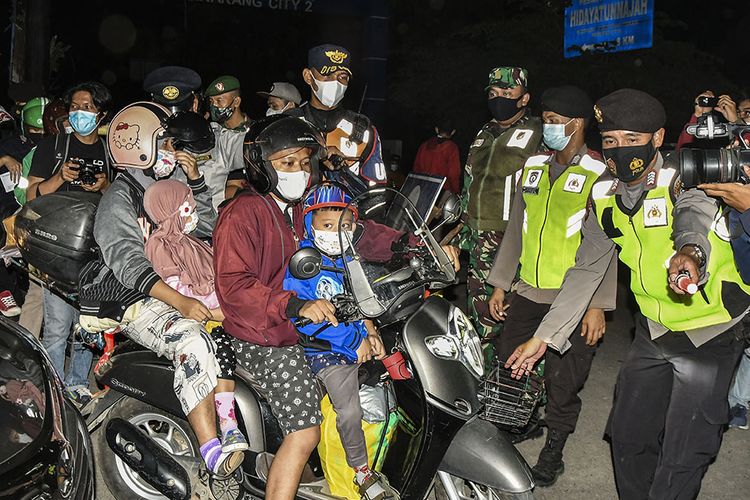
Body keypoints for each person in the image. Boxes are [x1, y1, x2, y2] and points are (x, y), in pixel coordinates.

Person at [507, 89, 750, 500]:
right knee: (627, 436)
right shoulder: (604, 194)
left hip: (711, 332)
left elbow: (694, 215)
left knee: (685, 451)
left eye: (632, 138)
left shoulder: (686, 176)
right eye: (611, 141)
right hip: (652, 331)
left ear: (657, 138)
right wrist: (545, 336)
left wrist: (689, 252)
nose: (621, 150)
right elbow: (586, 267)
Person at [81, 102, 242, 476]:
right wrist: (182, 303)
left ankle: (233, 421)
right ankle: (211, 448)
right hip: (138, 301)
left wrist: (197, 181)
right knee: (192, 341)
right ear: (139, 145)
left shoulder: (167, 187)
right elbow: (127, 264)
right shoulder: (118, 200)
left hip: (184, 290)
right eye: (166, 144)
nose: (173, 151)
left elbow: (203, 229)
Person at [485, 85, 616, 485]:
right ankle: (510, 429)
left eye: (556, 121)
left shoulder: (598, 174)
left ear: (577, 124)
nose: (549, 127)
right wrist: (501, 283)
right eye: (546, 120)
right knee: (510, 363)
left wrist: (598, 304)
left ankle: (553, 450)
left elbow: (608, 244)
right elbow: (516, 230)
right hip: (529, 289)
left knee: (564, 379)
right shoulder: (534, 167)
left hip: (574, 298)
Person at [213, 116, 328, 500]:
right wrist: (293, 304)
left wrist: (405, 245)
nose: (300, 171)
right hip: (259, 334)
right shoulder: (243, 213)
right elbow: (234, 287)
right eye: (287, 163)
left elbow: (345, 232)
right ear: (261, 165)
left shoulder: (293, 209)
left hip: (289, 322)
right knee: (305, 430)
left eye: (304, 161)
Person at [283, 184, 399, 499]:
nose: (336, 232)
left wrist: (371, 330)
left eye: (344, 226)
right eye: (328, 226)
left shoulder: (349, 260)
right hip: (325, 353)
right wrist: (355, 341)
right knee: (349, 411)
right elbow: (311, 320)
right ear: (310, 225)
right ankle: (361, 470)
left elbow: (360, 300)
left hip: (354, 343)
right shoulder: (304, 265)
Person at [143, 179, 248, 452]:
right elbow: (179, 291)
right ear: (169, 212)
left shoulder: (192, 242)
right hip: (203, 316)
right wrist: (217, 311)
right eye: (187, 209)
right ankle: (228, 423)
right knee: (223, 349)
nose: (194, 214)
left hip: (222, 308)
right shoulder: (160, 246)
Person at [26, 82, 113, 407]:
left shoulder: (109, 151)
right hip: (57, 250)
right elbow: (32, 195)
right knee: (58, 324)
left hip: (95, 250)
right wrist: (61, 177)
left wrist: (105, 185)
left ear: (100, 112)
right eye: (75, 106)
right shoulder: (53, 146)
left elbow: (120, 202)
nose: (80, 113)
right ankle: (53, 388)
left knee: (86, 324)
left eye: (88, 107)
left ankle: (77, 382)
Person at [456, 66, 543, 340]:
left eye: (508, 92)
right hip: (479, 236)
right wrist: (462, 228)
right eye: (494, 93)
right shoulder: (485, 132)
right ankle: (483, 374)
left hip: (513, 238)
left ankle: (515, 377)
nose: (499, 99)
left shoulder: (538, 132)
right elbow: (470, 181)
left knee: (512, 312)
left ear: (524, 98)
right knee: (479, 310)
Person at [287, 44, 387, 191]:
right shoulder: (289, 124)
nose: (335, 82)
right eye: (327, 75)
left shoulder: (364, 129)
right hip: (298, 212)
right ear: (308, 76)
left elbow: (376, 192)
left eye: (342, 77)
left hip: (349, 212)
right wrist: (317, 155)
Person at [203, 75, 252, 208]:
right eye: (212, 101)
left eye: (219, 100)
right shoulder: (210, 133)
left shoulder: (254, 132)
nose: (214, 106)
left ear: (236, 102)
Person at [412, 118, 461, 195]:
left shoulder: (424, 146)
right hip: (441, 191)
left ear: (436, 129)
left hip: (422, 189)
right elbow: (454, 174)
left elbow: (416, 169)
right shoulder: (452, 148)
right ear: (453, 132)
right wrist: (456, 191)